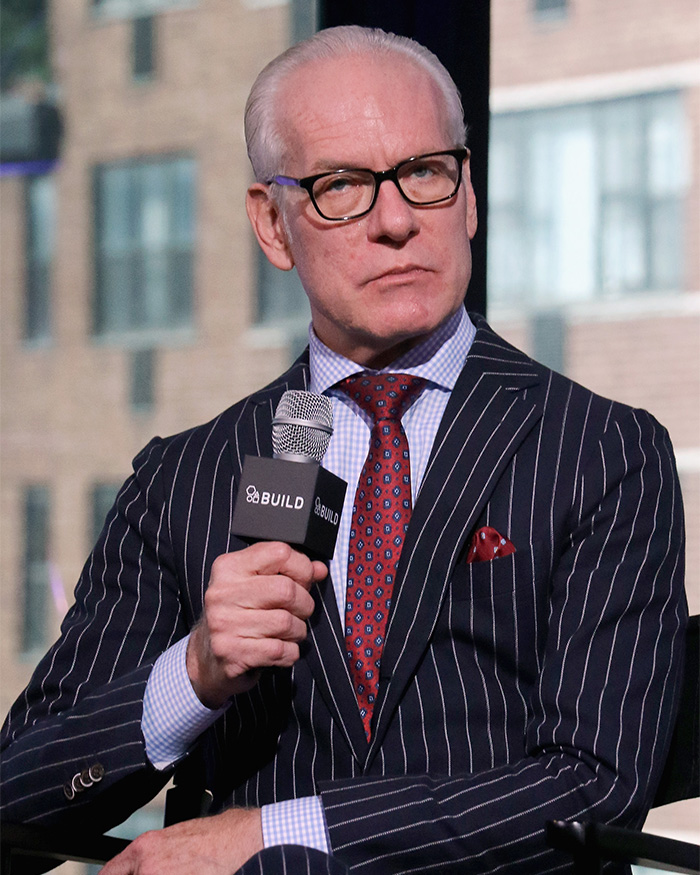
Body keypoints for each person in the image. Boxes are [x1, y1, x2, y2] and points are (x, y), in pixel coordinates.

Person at [0, 25, 687, 875]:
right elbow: (15, 802)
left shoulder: (604, 452)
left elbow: (591, 787)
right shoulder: (183, 479)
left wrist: (277, 834)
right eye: (342, 187)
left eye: (425, 173)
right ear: (272, 224)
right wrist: (194, 673)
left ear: (469, 195)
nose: (396, 220)